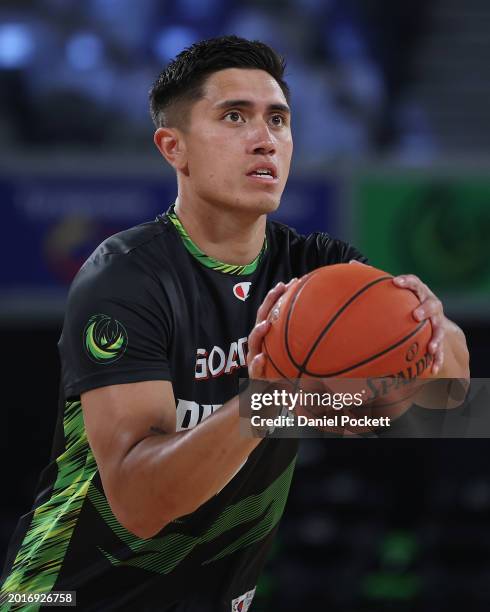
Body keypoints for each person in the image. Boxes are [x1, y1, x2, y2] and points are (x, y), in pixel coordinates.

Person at [0, 35, 469, 612]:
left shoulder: (318, 267)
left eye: (278, 119)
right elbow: (140, 505)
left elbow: (451, 394)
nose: (264, 138)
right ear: (175, 147)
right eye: (234, 117)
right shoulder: (125, 278)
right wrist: (264, 403)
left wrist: (431, 327)